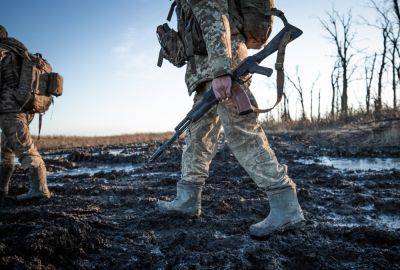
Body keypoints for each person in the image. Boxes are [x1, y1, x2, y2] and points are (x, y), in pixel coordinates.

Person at [156, 0, 305, 237]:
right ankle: (187, 199)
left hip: (224, 67)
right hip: (207, 73)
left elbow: (215, 17)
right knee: (198, 138)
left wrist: (222, 70)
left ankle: (285, 204)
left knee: (242, 134)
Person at [0, 25, 51, 202]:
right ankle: (2, 188)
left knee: (23, 147)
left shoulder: (4, 50)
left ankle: (40, 189)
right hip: (25, 107)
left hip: (10, 108)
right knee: (6, 148)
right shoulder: (20, 50)